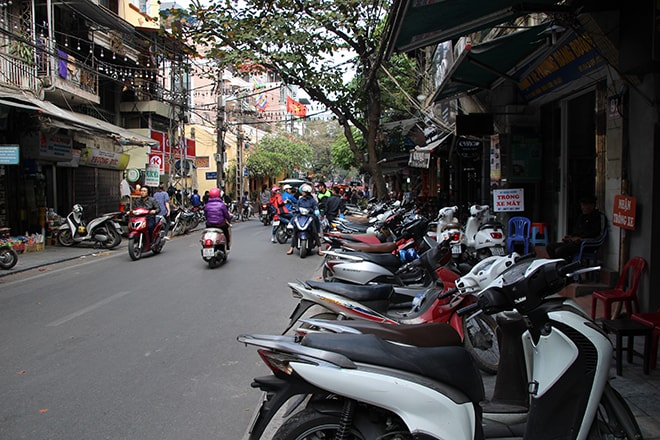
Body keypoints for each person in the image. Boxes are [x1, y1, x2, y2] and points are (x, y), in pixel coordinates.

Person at [546, 195, 603, 261]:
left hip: (585, 244)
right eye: (582, 205)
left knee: (560, 251)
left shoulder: (596, 217)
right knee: (550, 247)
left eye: (585, 205)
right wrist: (570, 237)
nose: (583, 208)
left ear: (592, 206)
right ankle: (557, 264)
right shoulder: (581, 217)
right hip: (574, 242)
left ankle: (567, 265)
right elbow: (576, 231)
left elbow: (594, 233)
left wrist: (581, 239)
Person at [287, 184, 322, 256]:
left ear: (306, 192)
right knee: (295, 230)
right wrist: (296, 210)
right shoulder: (300, 200)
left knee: (314, 230)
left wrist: (315, 210)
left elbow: (315, 207)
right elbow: (297, 207)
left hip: (309, 216)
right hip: (300, 216)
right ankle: (291, 248)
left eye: (303, 192)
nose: (302, 193)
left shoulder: (312, 200)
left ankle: (319, 248)